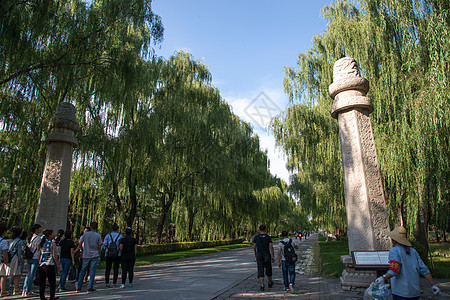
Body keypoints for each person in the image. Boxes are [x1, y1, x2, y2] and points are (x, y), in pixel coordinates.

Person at [375, 226, 441, 299]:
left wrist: (383, 278)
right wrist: (433, 284)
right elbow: (424, 269)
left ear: (393, 239)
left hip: (401, 292)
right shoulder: (413, 251)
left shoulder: (395, 251)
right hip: (414, 292)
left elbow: (394, 270)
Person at [75, 222, 102, 293]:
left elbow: (80, 244)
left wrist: (83, 251)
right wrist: (99, 255)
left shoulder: (85, 234)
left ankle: (78, 286)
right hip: (95, 254)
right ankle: (90, 287)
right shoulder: (98, 235)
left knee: (83, 270)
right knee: (92, 271)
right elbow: (99, 247)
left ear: (90, 227)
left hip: (86, 254)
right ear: (97, 227)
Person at [38, 229, 61, 300]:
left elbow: (39, 254)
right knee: (52, 282)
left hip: (42, 264)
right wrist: (57, 264)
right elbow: (54, 255)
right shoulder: (52, 243)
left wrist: (40, 262)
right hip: (50, 264)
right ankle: (52, 296)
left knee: (42, 282)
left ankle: (42, 297)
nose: (54, 235)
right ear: (50, 235)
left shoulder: (42, 243)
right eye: (53, 233)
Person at [253, 224, 275, 291]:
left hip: (259, 254)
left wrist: (255, 254)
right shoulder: (268, 237)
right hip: (266, 254)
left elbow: (254, 247)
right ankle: (270, 281)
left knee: (260, 269)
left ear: (259, 229)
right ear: (265, 229)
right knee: (268, 268)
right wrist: (273, 256)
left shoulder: (256, 237)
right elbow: (271, 247)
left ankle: (262, 285)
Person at [22, 223, 42, 296]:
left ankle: (24, 290)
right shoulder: (38, 238)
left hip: (29, 256)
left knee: (28, 274)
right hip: (35, 257)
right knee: (31, 274)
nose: (41, 230)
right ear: (36, 229)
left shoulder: (30, 237)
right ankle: (27, 290)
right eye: (39, 228)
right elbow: (38, 248)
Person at [102, 223, 122, 288]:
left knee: (108, 268)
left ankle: (107, 282)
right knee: (116, 269)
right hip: (117, 254)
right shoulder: (120, 236)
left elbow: (104, 244)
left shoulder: (108, 236)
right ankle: (114, 282)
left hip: (108, 253)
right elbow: (121, 245)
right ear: (117, 229)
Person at [8, 228, 24, 295]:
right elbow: (19, 252)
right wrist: (21, 260)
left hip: (10, 257)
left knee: (9, 272)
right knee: (17, 273)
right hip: (16, 257)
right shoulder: (19, 241)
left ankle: (8, 285)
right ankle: (16, 288)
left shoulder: (10, 240)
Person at [0, 224, 10, 297]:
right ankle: (2, 290)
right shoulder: (3, 242)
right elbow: (4, 252)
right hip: (0, 261)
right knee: (3, 275)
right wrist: (6, 259)